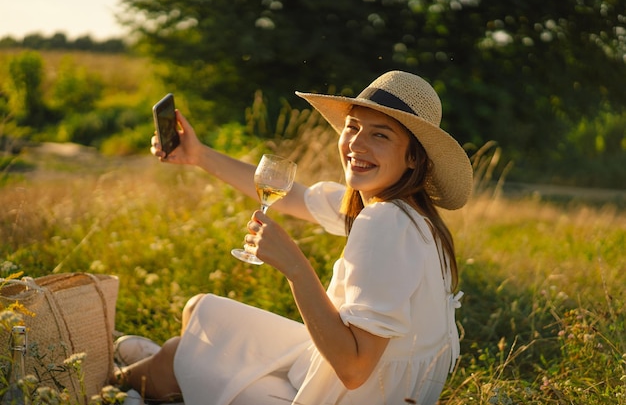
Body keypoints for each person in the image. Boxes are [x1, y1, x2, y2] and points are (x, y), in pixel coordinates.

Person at [111, 70, 473, 405]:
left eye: (380, 134)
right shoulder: (405, 211)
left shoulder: (385, 223)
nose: (356, 144)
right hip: (371, 383)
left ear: (413, 157)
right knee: (199, 311)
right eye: (352, 127)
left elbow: (354, 368)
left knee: (179, 352)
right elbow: (294, 195)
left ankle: (109, 383)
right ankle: (162, 366)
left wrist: (295, 268)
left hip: (350, 394)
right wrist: (199, 155)